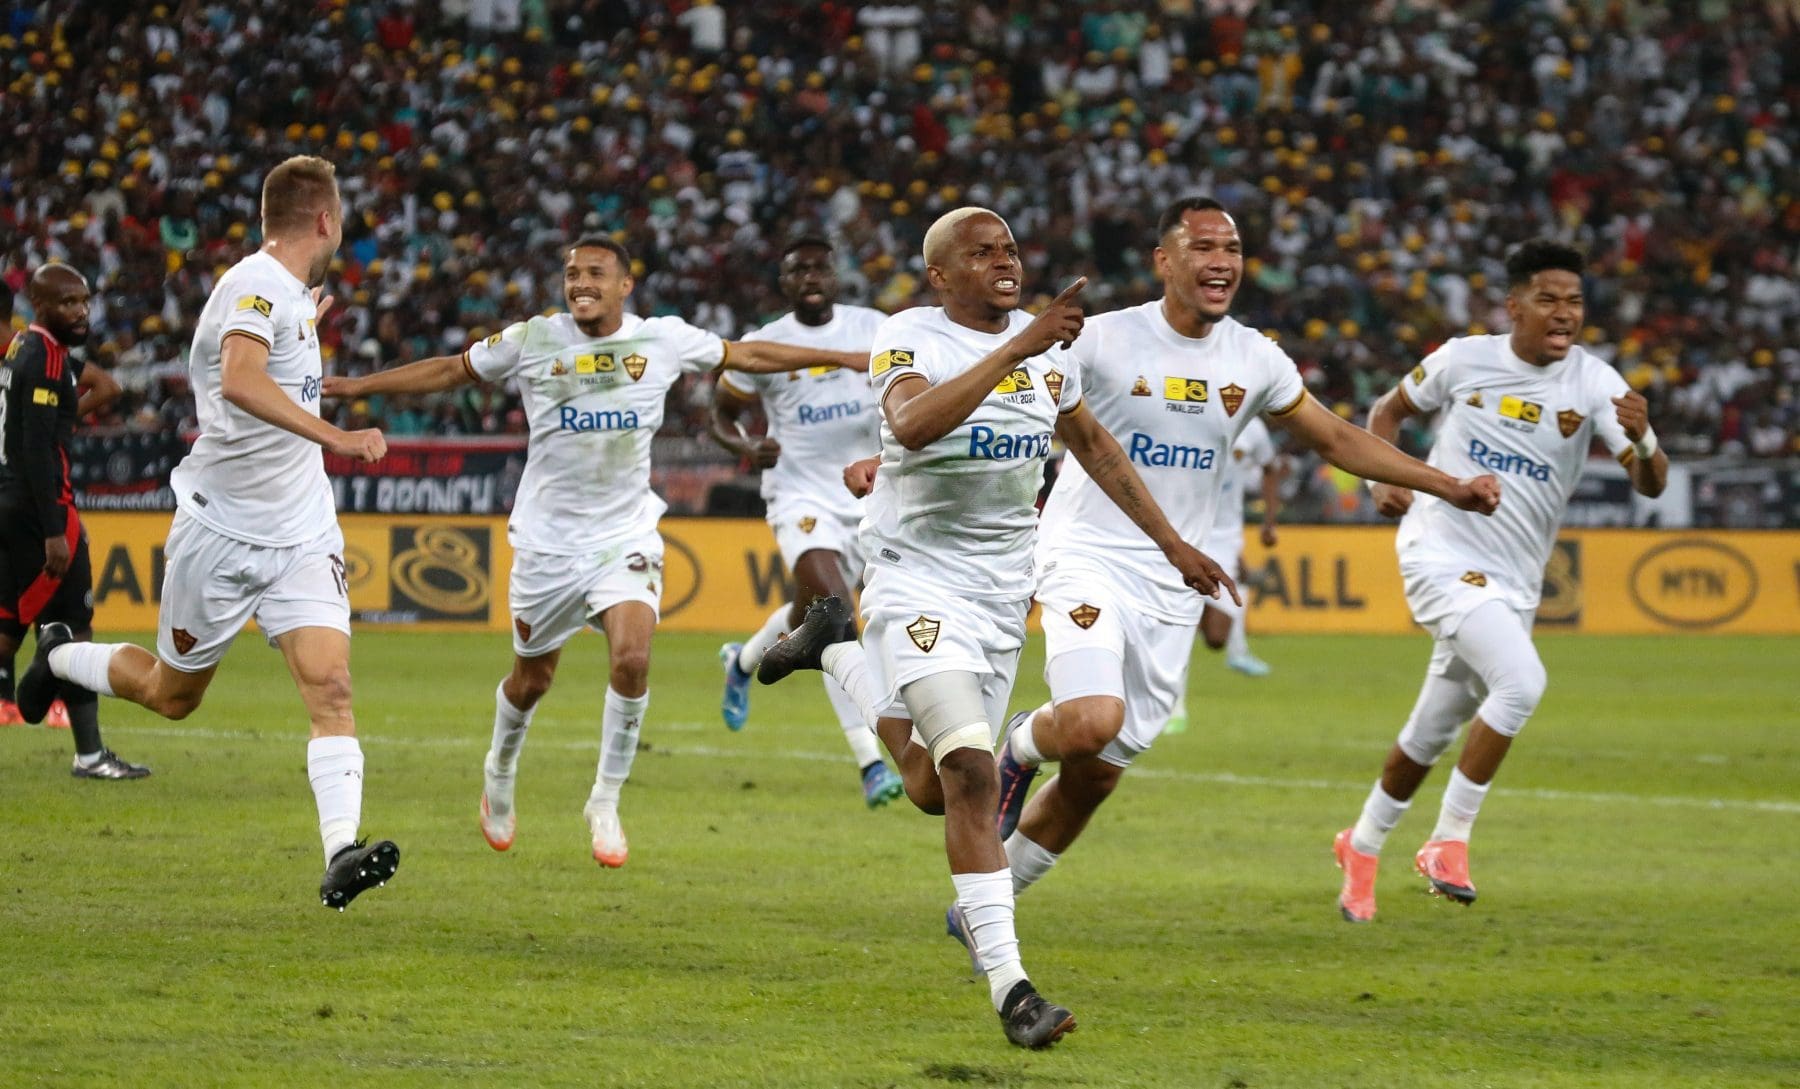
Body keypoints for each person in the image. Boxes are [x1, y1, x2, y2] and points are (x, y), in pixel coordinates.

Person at [758, 207, 1235, 1049]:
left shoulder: (1050, 357)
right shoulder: (908, 336)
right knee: (974, 774)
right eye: (981, 254)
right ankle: (1014, 990)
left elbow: (1096, 448)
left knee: (929, 786)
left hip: (1000, 595)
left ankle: (833, 646)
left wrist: (1174, 545)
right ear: (942, 275)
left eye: (1010, 249)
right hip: (915, 581)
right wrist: (1018, 345)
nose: (1004, 262)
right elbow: (910, 422)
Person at [986, 196, 1502, 924]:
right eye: (1202, 247)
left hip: (1177, 581)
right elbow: (1006, 395)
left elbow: (1335, 438)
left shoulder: (1255, 357)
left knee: (1095, 778)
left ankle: (991, 900)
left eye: (1231, 247)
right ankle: (1017, 742)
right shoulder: (1102, 339)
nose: (1221, 260)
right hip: (1086, 555)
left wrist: (1445, 484)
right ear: (1165, 261)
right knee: (1089, 720)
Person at [322, 236, 870, 869]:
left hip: (625, 536)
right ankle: (499, 770)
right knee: (533, 680)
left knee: (633, 659)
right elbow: (451, 369)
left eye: (596, 273)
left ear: (624, 284)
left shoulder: (661, 339)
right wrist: (359, 387)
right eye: (572, 273)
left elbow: (748, 353)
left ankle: (604, 801)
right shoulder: (533, 340)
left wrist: (849, 358)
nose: (581, 282)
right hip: (548, 545)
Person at [16, 156, 399, 910]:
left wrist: (307, 327)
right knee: (172, 694)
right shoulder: (255, 285)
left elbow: (276, 356)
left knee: (332, 684)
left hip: (301, 530)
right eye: (341, 216)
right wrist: (338, 436)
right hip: (221, 534)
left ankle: (340, 851)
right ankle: (62, 653)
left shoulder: (287, 294)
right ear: (324, 220)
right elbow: (240, 379)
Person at [1332, 238, 1667, 922]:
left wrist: (1647, 439)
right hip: (1438, 550)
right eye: (1547, 299)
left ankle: (1360, 844)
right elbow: (1385, 414)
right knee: (1522, 683)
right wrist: (1379, 479)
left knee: (1430, 731)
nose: (1563, 312)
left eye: (1574, 300)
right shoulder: (1464, 358)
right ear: (1514, 305)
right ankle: (1448, 841)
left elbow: (1649, 483)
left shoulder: (1595, 383)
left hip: (1513, 582)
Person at [709, 238, 905, 809]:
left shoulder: (877, 328)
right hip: (800, 496)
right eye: (798, 270)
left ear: (836, 275)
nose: (811, 277)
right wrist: (743, 443)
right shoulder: (764, 344)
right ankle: (871, 762)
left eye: (819, 267)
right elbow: (719, 413)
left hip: (872, 492)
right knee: (834, 615)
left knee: (808, 615)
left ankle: (742, 661)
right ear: (785, 282)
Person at [0, 264, 142, 776]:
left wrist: (63, 419)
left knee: (36, 619)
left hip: (17, 501)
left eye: (83, 300)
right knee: (74, 628)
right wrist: (55, 529)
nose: (80, 310)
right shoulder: (41, 356)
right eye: (67, 302)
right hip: (45, 510)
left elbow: (37, 433)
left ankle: (47, 676)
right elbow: (37, 451)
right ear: (41, 307)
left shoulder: (24, 348)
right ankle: (84, 747)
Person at [1165, 414, 1285, 734]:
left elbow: (1271, 468)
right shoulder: (1187, 413)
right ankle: (1175, 706)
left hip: (1224, 536)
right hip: (1181, 531)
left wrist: (1269, 522)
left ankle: (1233, 648)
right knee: (1181, 623)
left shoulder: (1254, 428)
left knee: (1216, 636)